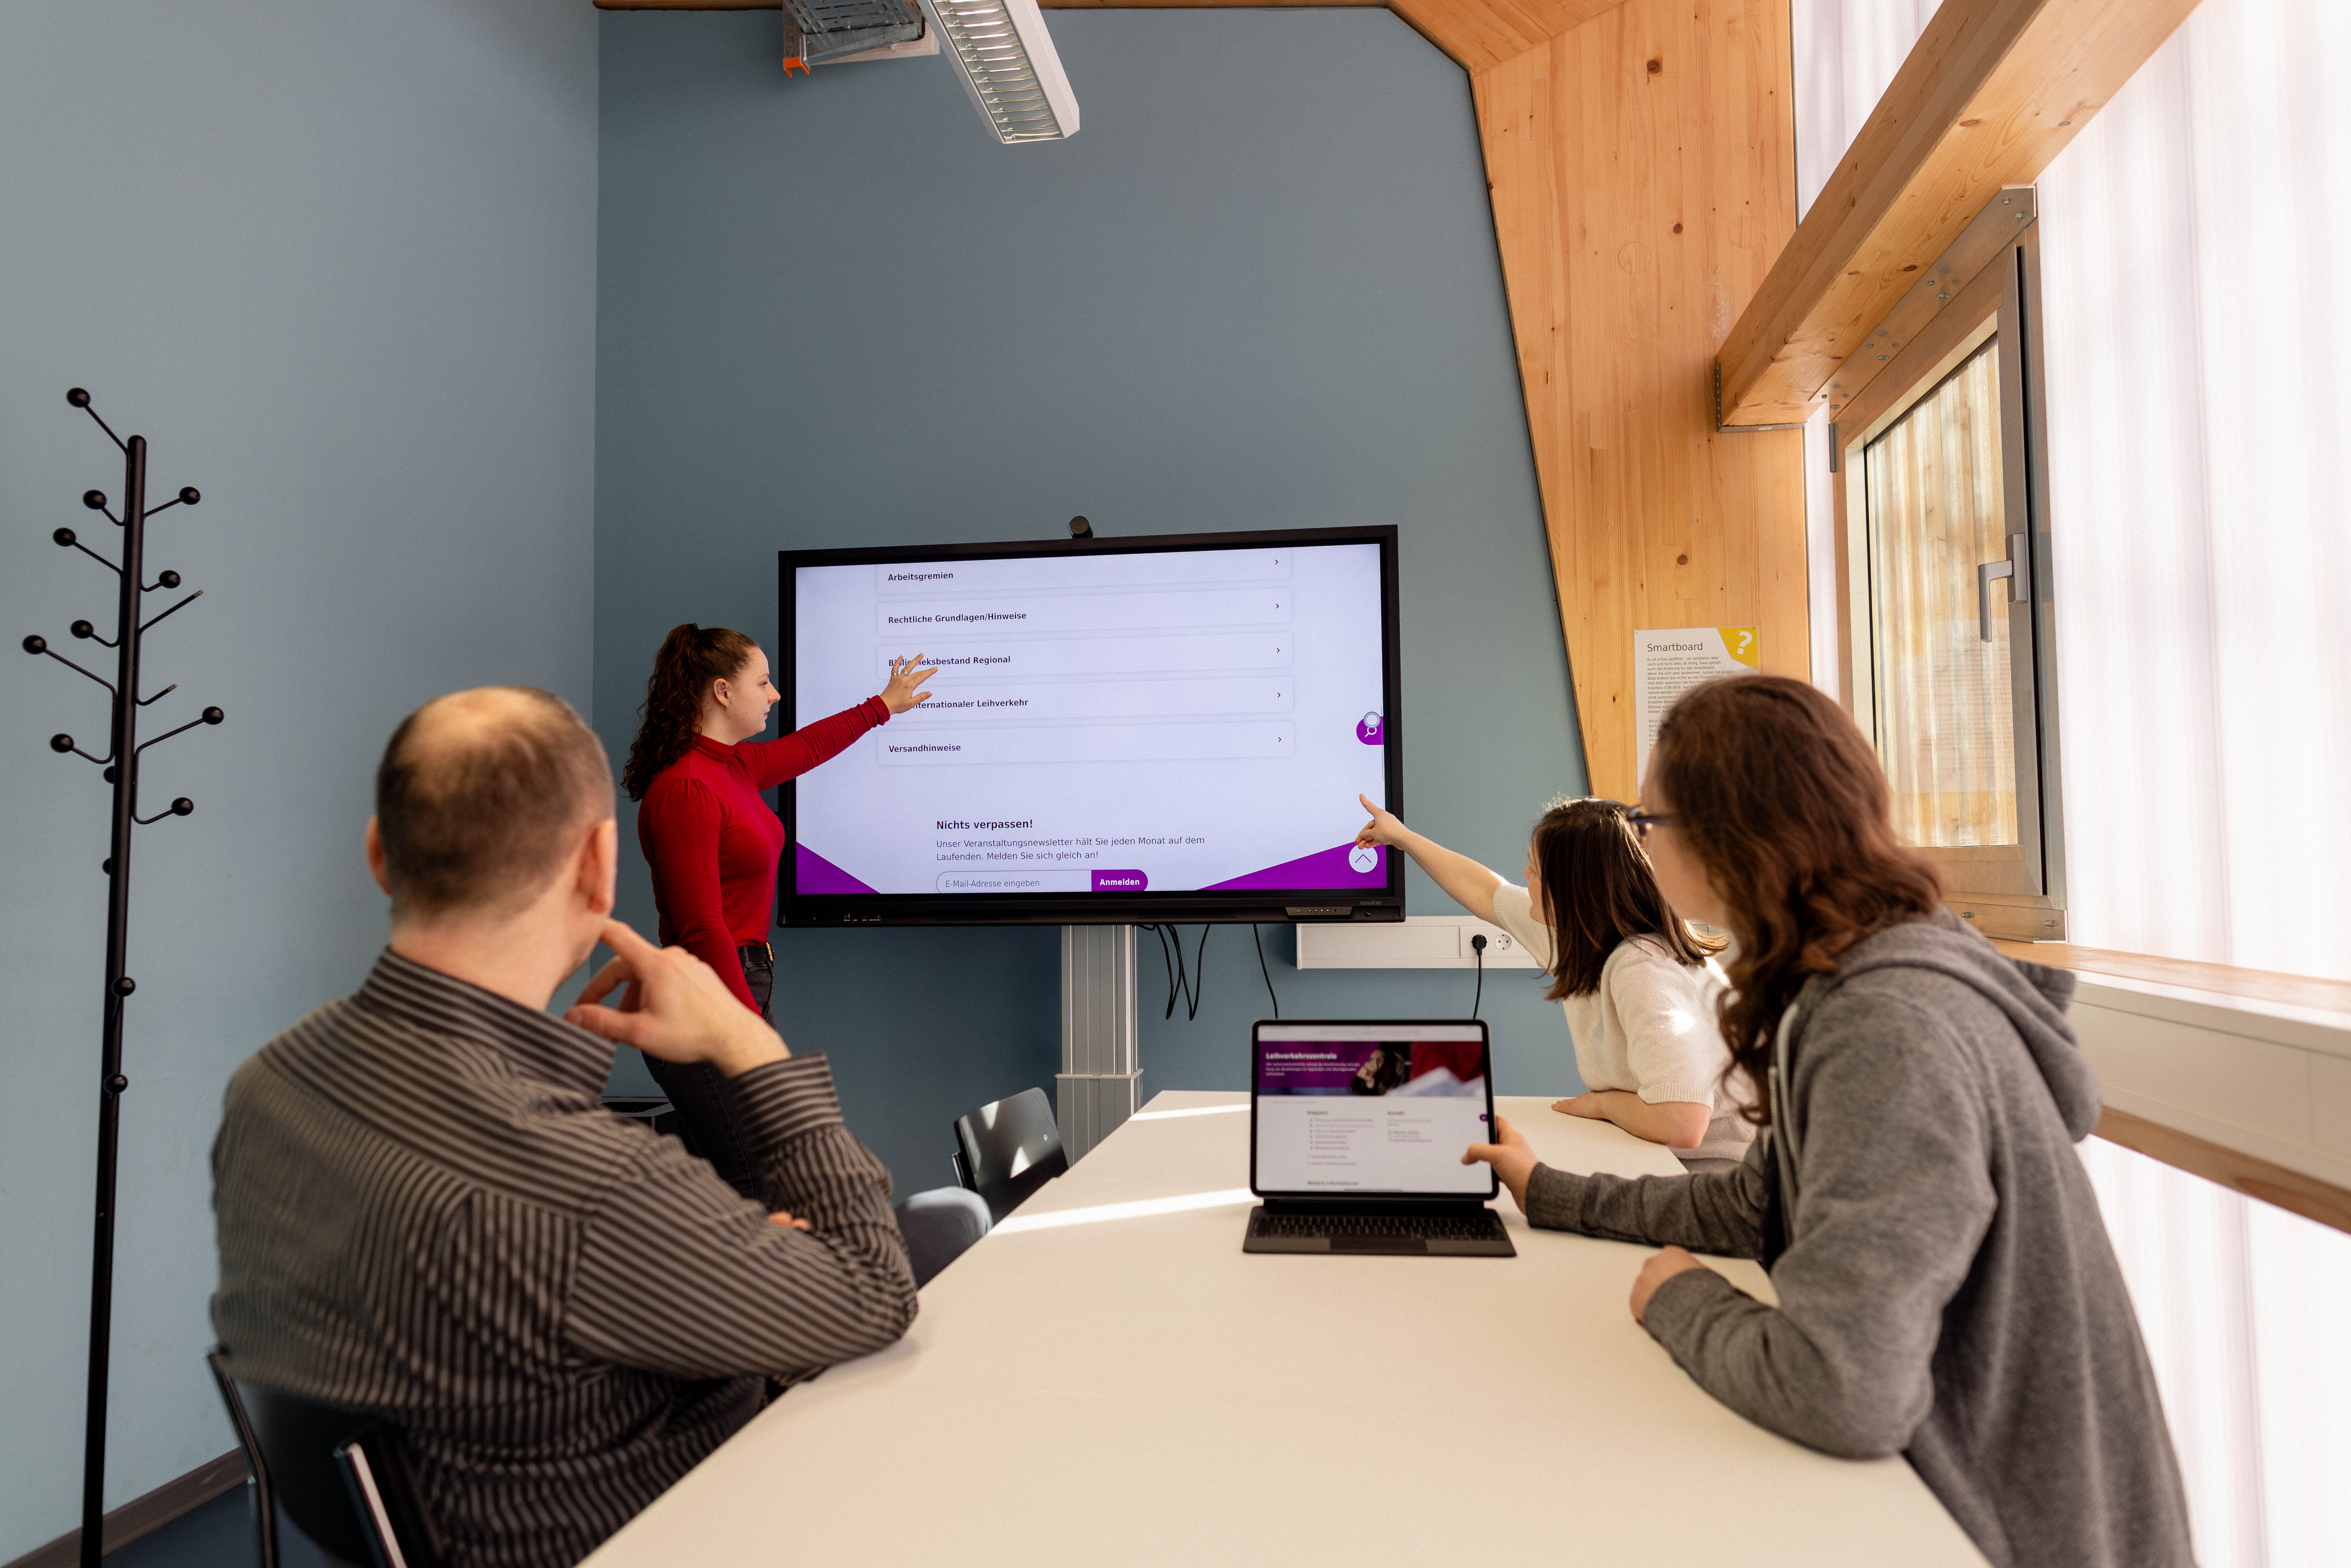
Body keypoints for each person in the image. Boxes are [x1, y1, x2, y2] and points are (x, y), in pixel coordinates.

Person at [1461, 676, 2192, 1568]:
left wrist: (1681, 1301)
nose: (1641, 848)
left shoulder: (1888, 1026)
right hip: (1958, 1491)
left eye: (1651, 824)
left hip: (2002, 1529)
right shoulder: (1845, 980)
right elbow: (1754, 1206)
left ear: (1728, 838)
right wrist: (1552, 1193)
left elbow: (1842, 1390)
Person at [212, 687, 917, 1568]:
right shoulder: (597, 1188)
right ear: (597, 864)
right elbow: (874, 1294)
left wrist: (691, 1250)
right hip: (671, 1529)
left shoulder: (269, 1086)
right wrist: (752, 1049)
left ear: (379, 855)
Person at [622, 624, 934, 1193]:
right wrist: (751, 1033)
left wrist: (882, 706)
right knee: (761, 1180)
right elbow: (702, 927)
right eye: (762, 682)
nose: (774, 694)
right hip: (704, 1000)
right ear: (722, 691)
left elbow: (806, 748)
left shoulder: (731, 767)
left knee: (764, 1177)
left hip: (736, 985)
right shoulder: (687, 788)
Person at [1352, 793, 1749, 1168]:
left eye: (1535, 870)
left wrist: (1602, 1105)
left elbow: (1683, 1124)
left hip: (1724, 1176)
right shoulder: (1579, 934)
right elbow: (1486, 889)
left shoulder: (1641, 969)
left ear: (1571, 892)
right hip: (1661, 1158)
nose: (1525, 877)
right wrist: (1400, 837)